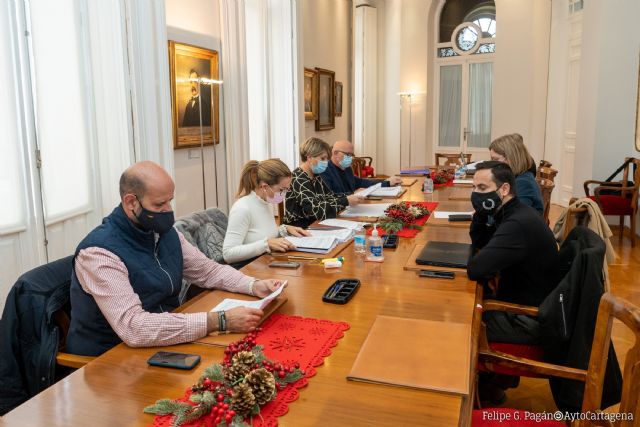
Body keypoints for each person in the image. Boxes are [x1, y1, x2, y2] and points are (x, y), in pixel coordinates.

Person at [66, 161, 285, 357]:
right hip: (112, 357)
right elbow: (134, 327)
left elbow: (207, 271)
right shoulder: (99, 253)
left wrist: (253, 285)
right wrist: (218, 320)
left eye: (170, 201)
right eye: (159, 205)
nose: (168, 211)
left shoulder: (161, 230)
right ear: (131, 202)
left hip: (164, 336)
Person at [467, 161, 559, 404]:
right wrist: (481, 215)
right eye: (474, 188)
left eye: (483, 188)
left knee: (462, 321)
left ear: (504, 189)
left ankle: (483, 392)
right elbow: (482, 244)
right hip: (529, 303)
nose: (477, 194)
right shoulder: (514, 212)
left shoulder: (517, 224)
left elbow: (477, 268)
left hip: (529, 319)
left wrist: (480, 218)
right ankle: (493, 384)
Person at [223, 159, 310, 266]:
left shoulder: (266, 201)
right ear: (264, 187)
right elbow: (228, 254)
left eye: (287, 189)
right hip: (249, 268)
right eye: (282, 189)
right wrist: (266, 244)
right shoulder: (242, 209)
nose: (284, 194)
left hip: (266, 262)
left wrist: (284, 229)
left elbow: (260, 232)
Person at [283, 137, 361, 228]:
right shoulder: (298, 178)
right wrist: (345, 201)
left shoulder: (316, 175)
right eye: (322, 158)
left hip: (317, 223)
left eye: (327, 159)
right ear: (309, 158)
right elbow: (315, 210)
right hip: (300, 228)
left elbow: (330, 196)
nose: (326, 162)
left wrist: (351, 195)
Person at [320, 140, 402, 196]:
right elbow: (329, 196)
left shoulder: (346, 168)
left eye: (352, 155)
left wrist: (387, 182)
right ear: (335, 153)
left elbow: (361, 182)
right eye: (348, 155)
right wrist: (353, 194)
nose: (351, 158)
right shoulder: (325, 170)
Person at [488, 133, 544, 214]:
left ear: (511, 158)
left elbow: (513, 216)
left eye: (495, 159)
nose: (492, 164)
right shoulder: (515, 178)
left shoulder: (523, 183)